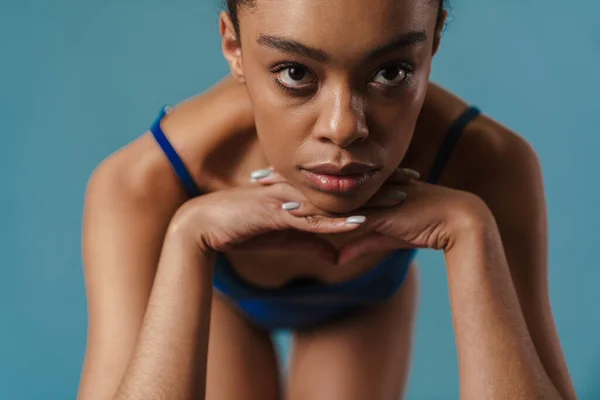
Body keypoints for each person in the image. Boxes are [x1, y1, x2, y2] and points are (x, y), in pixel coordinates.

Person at [77, 0, 578, 399]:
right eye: (295, 73)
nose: (343, 128)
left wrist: (468, 226)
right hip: (220, 301)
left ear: (435, 41)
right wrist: (188, 235)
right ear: (234, 45)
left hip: (362, 304)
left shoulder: (488, 162)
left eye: (391, 72)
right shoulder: (144, 183)